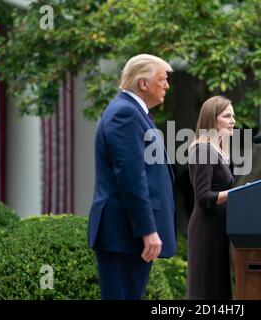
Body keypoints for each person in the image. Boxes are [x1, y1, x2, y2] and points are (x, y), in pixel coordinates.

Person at [87, 54, 176, 300]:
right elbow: (131, 177)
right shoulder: (125, 114)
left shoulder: (133, 112)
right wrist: (148, 230)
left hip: (127, 234)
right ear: (143, 83)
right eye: (163, 79)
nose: (167, 85)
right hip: (124, 233)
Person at [187, 95, 236, 300]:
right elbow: (203, 197)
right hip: (207, 229)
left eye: (233, 115)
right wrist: (238, 194)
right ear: (211, 120)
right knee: (207, 293)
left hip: (219, 227)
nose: (233, 120)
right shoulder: (203, 150)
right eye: (227, 116)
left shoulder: (221, 152)